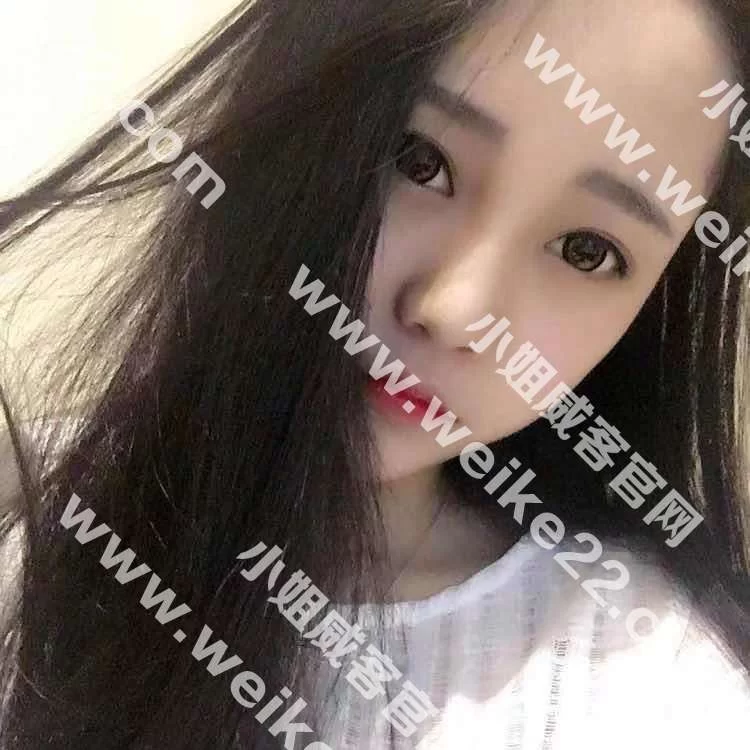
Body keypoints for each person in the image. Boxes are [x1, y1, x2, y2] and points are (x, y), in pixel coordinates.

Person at [1, 0, 750, 747]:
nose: (456, 310)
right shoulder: (34, 518)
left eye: (588, 251)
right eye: (418, 161)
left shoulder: (661, 684)